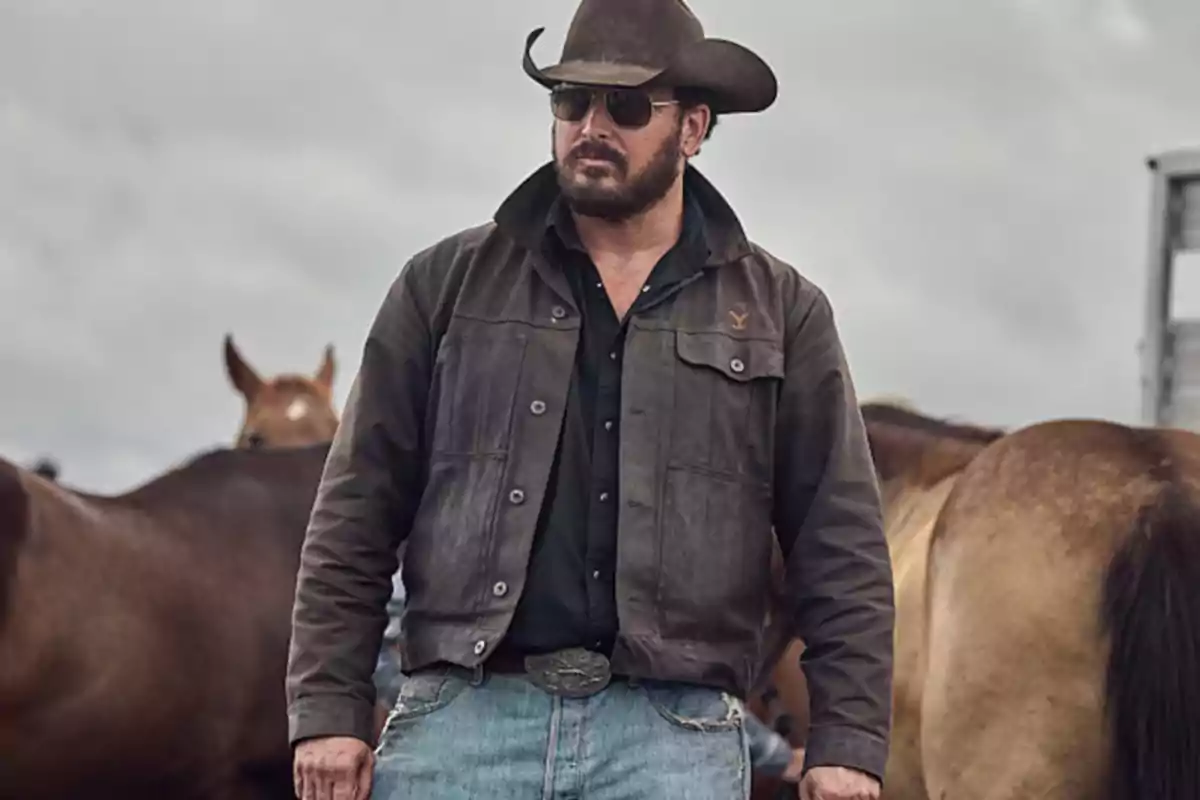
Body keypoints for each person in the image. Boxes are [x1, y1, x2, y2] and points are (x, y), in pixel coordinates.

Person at [285, 0, 895, 798]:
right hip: (462, 723)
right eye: (570, 101)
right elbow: (356, 510)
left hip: (673, 738)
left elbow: (838, 541)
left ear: (694, 128)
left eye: (628, 106)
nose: (591, 124)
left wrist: (846, 742)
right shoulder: (444, 286)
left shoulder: (784, 313)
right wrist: (329, 706)